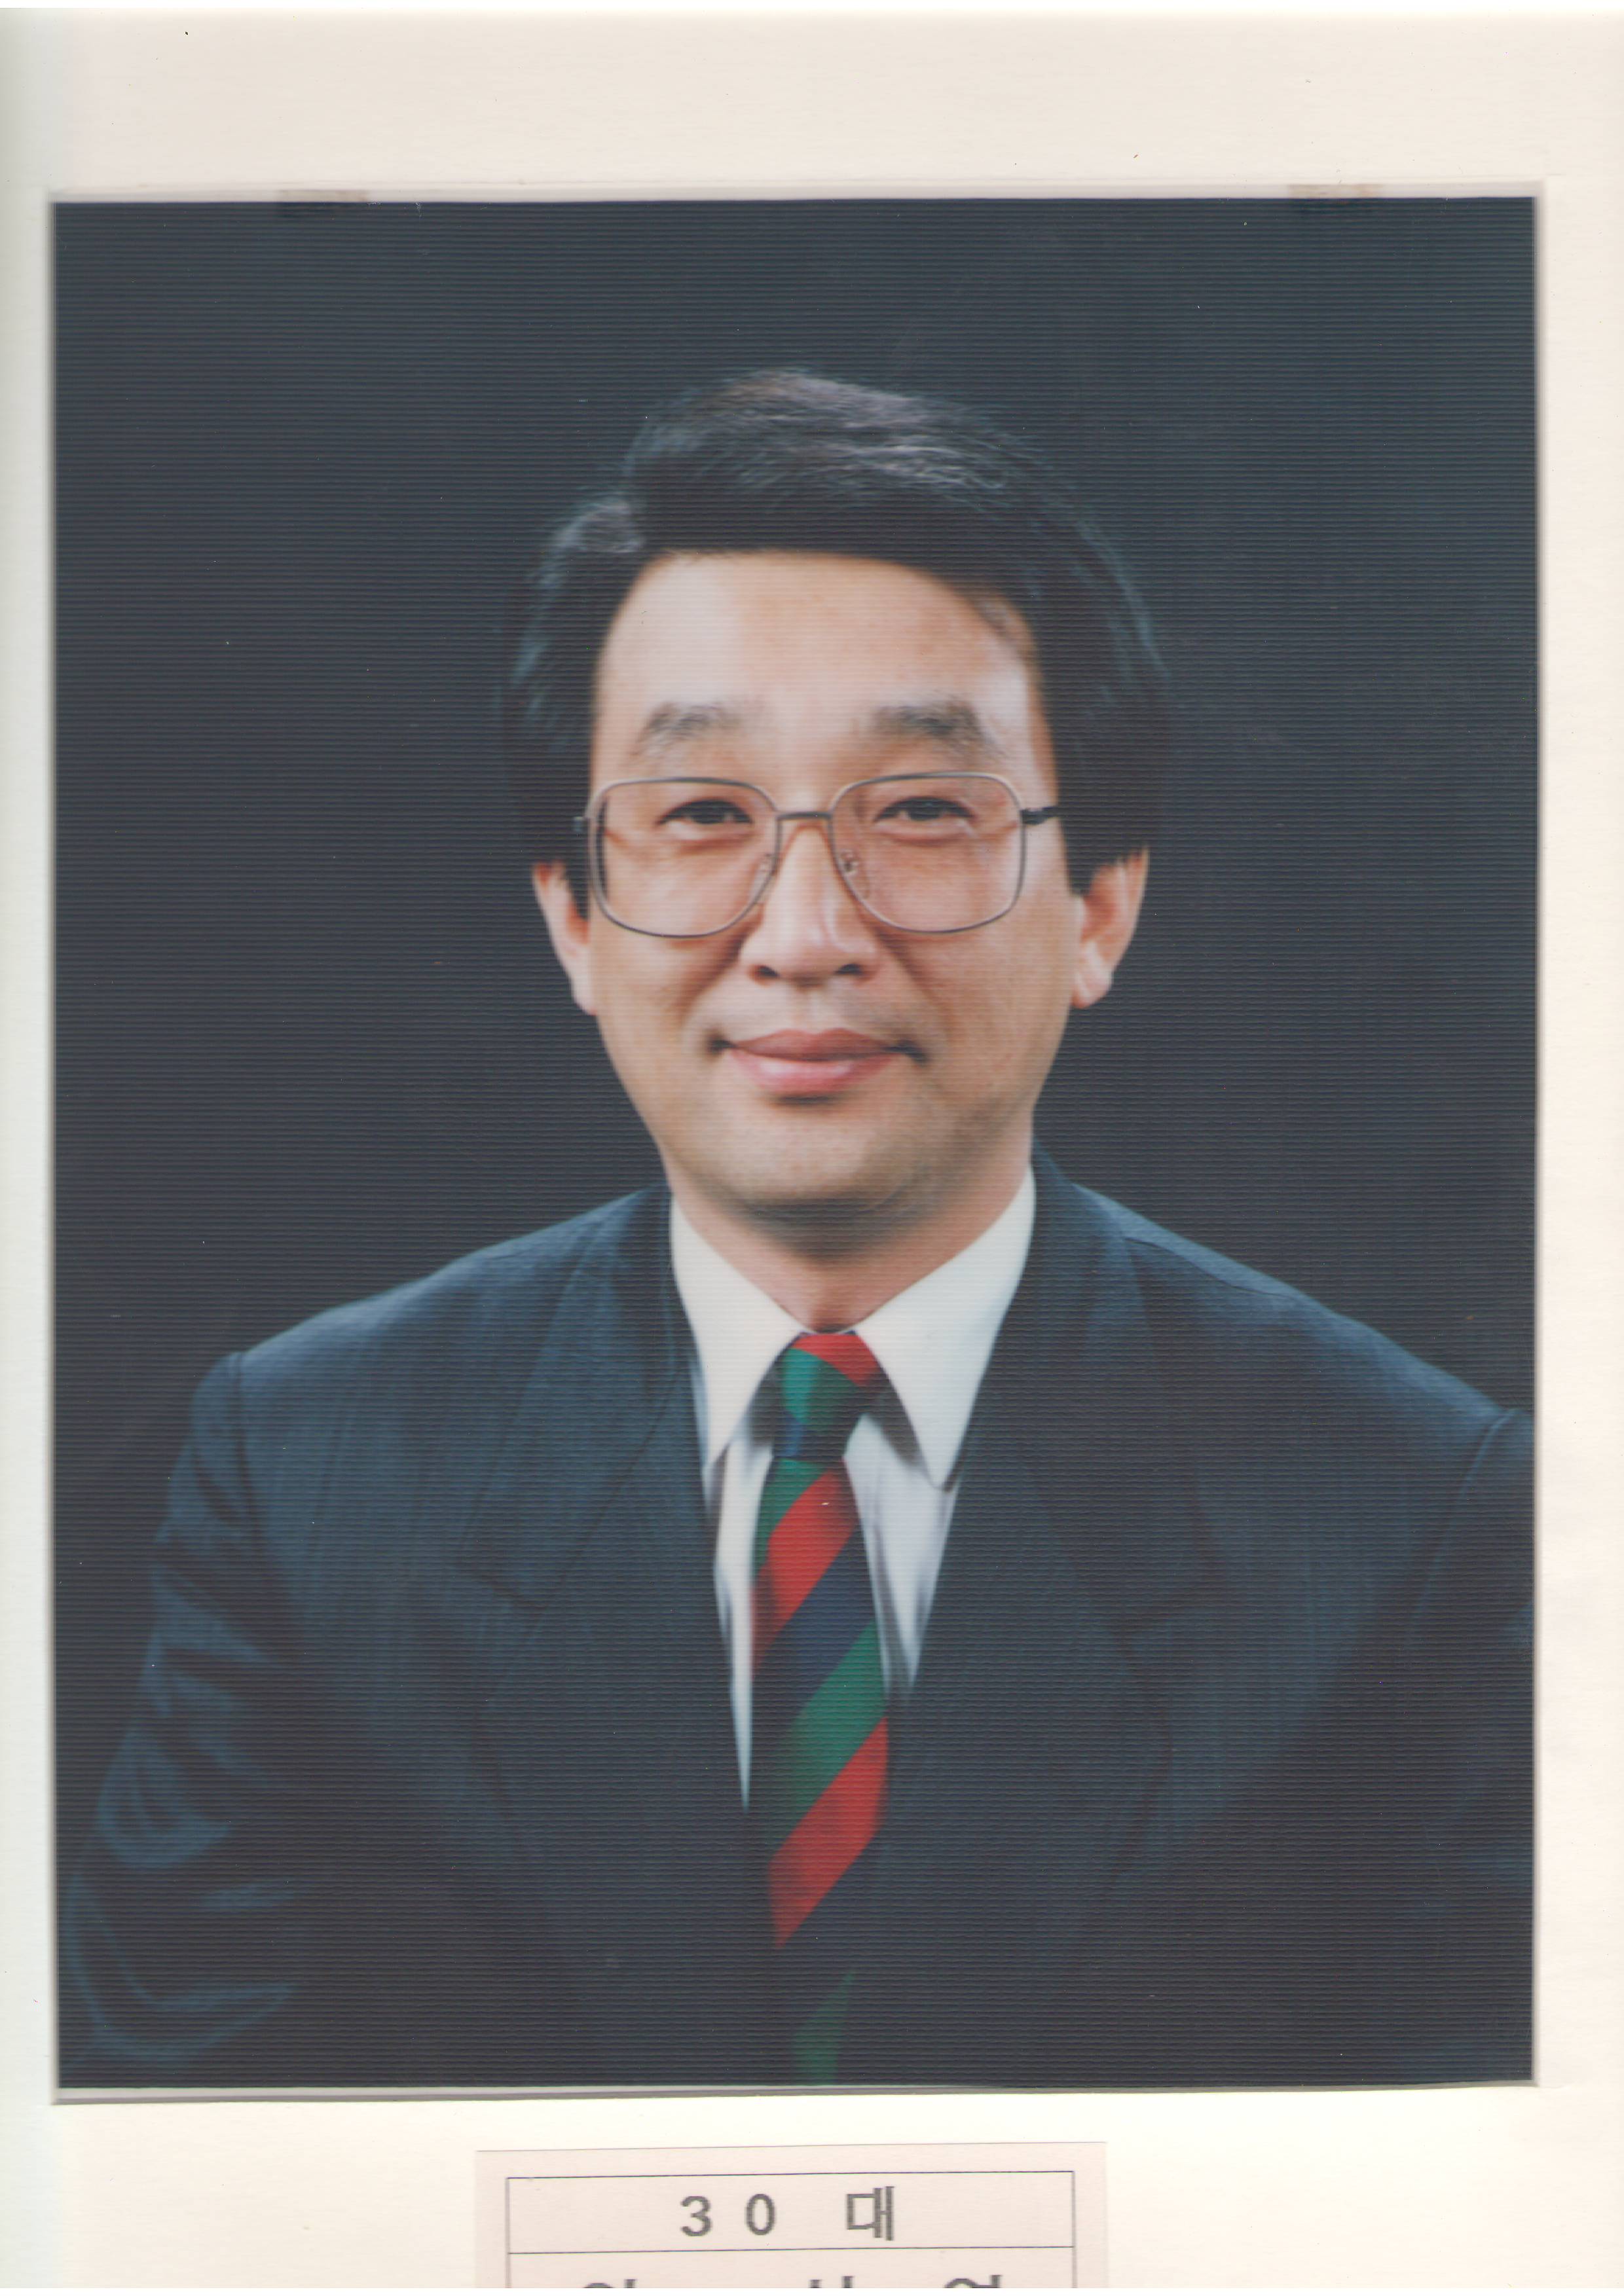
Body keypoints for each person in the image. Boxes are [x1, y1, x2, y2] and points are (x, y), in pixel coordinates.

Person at [62, 371, 1531, 2092]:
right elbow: (191, 2159)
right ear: (574, 916)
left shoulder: (1406, 1510)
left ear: (1100, 905)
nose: (807, 934)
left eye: (924, 810)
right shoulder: (310, 1476)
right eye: (702, 815)